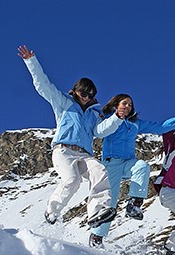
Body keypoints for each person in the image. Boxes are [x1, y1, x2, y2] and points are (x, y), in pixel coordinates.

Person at [17, 45, 117, 231]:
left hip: (85, 154)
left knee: (99, 171)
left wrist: (117, 118)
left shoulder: (94, 113)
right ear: (76, 91)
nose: (87, 97)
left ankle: (97, 211)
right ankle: (52, 211)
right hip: (63, 150)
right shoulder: (64, 102)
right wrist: (31, 62)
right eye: (84, 93)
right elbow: (43, 86)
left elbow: (100, 131)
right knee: (72, 180)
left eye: (91, 95)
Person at [89, 94, 175, 248]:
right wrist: (114, 117)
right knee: (110, 201)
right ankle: (97, 236)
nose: (128, 107)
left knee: (142, 166)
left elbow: (159, 127)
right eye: (124, 103)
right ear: (116, 105)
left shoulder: (135, 123)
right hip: (111, 164)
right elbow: (100, 132)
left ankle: (134, 204)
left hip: (128, 162)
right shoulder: (107, 118)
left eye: (130, 105)